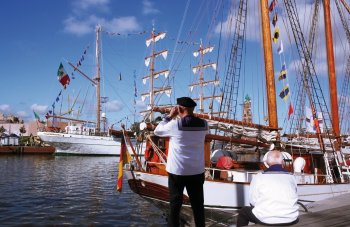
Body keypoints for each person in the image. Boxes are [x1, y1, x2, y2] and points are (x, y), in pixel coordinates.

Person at [154, 97, 208, 227]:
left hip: (177, 172)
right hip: (196, 171)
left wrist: (169, 116)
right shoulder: (205, 124)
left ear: (179, 109)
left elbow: (157, 131)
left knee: (175, 206)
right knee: (198, 206)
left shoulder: (175, 124)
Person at [236, 149, 299, 226]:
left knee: (244, 212)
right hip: (291, 218)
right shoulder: (291, 177)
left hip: (267, 219)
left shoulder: (259, 177)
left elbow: (253, 201)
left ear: (267, 163)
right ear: (282, 162)